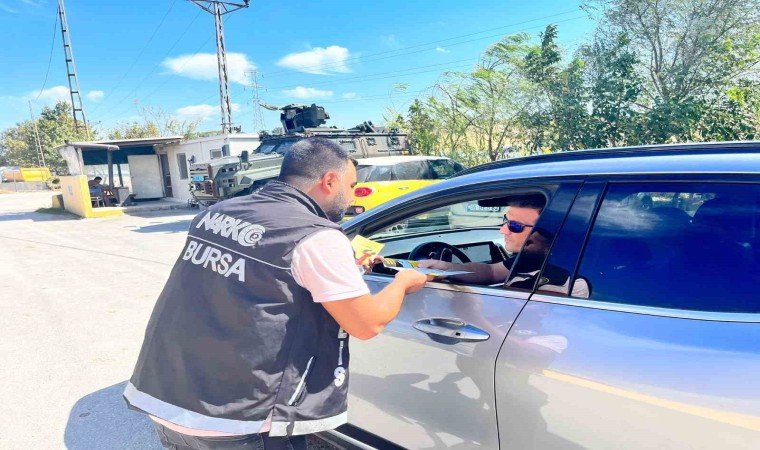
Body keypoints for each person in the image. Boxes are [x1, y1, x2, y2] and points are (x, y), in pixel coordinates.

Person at [124, 138, 428, 450]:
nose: (351, 197)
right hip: (239, 421)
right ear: (329, 181)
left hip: (168, 399)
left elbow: (250, 279)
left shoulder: (217, 212)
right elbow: (366, 323)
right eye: (351, 186)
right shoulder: (316, 236)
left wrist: (346, 266)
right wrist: (403, 281)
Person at [418, 196, 545, 285]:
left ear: (547, 230)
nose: (503, 230)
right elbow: (493, 272)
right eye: (505, 221)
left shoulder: (553, 274)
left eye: (515, 225)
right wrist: (448, 268)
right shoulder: (533, 256)